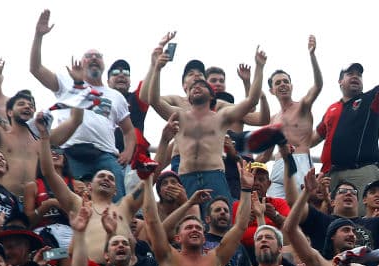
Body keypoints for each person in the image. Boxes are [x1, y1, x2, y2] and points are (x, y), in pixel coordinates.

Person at [29, 10, 136, 200]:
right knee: (73, 204)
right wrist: (38, 36)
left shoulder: (115, 96)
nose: (93, 58)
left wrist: (128, 151)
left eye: (98, 56)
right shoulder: (67, 82)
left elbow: (128, 130)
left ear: (103, 64)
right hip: (71, 153)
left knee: (117, 203)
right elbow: (36, 69)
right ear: (82, 62)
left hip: (105, 155)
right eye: (88, 56)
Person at [145, 40, 266, 201]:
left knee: (220, 214)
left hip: (214, 175)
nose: (196, 86)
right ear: (188, 96)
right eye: (193, 87)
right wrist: (157, 68)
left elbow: (251, 101)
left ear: (211, 95)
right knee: (188, 216)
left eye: (202, 85)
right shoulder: (180, 116)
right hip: (185, 176)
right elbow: (153, 100)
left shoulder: (222, 117)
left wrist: (259, 67)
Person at [316, 43, 379, 203]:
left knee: (361, 216)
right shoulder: (332, 108)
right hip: (332, 174)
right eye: (350, 73)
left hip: (361, 171)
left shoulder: (369, 99)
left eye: (359, 74)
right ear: (340, 81)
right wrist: (290, 138)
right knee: (330, 215)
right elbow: (314, 137)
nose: (355, 76)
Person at [267, 36, 323, 198]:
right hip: (278, 165)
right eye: (278, 83)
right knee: (274, 207)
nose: (283, 84)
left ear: (291, 86)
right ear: (272, 90)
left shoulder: (303, 106)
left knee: (299, 209)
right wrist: (251, 164)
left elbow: (318, 86)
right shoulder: (273, 119)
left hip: (300, 162)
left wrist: (312, 55)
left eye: (286, 81)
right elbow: (266, 153)